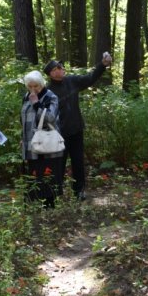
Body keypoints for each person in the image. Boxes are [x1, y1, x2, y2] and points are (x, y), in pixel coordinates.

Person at [44, 52, 113, 200]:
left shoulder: (72, 81)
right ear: (52, 72)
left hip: (76, 130)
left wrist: (103, 65)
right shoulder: (48, 92)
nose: (62, 68)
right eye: (59, 67)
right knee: (58, 165)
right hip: (58, 134)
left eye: (62, 66)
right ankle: (56, 193)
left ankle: (79, 191)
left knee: (78, 162)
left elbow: (90, 78)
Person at [20, 70, 63, 208]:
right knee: (34, 173)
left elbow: (50, 117)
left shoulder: (51, 97)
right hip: (31, 142)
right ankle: (34, 204)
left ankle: (49, 205)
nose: (33, 89)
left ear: (42, 84)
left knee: (48, 172)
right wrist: (23, 137)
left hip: (47, 143)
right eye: (30, 86)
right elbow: (24, 118)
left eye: (36, 86)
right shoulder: (26, 96)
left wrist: (37, 104)